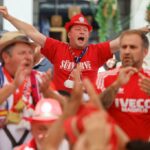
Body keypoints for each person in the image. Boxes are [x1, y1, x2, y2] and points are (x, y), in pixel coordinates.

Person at [0, 6, 149, 93]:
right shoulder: (57, 47)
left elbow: (122, 40)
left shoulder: (97, 50)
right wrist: (9, 17)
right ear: (69, 34)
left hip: (88, 105)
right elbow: (32, 32)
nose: (82, 32)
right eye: (78, 29)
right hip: (60, 104)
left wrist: (145, 29)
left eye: (85, 30)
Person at [0, 31, 52, 150]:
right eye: (22, 53)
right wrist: (14, 86)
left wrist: (49, 93)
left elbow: (57, 110)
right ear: (6, 57)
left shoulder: (40, 77)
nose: (28, 57)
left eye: (30, 52)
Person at [96, 29, 150, 141]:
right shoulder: (104, 77)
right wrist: (116, 86)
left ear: (145, 52)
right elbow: (94, 109)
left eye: (133, 47)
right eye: (124, 47)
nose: (127, 51)